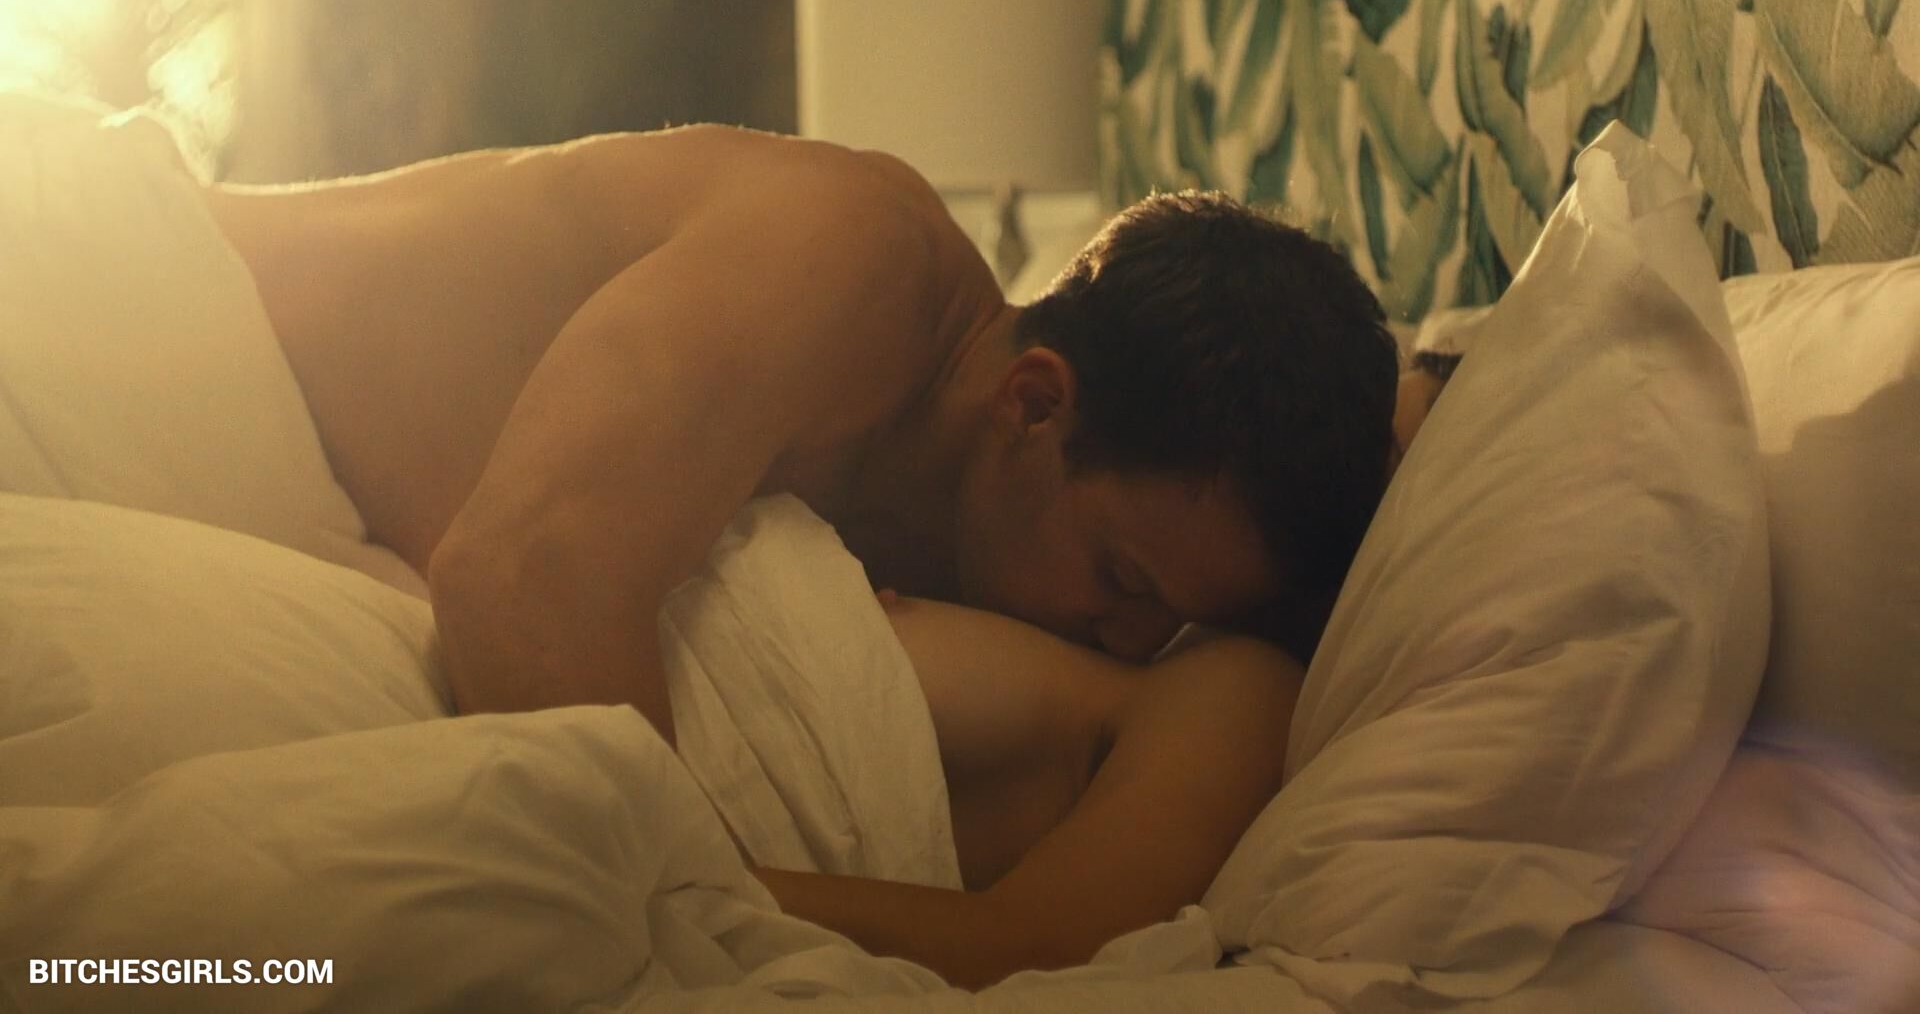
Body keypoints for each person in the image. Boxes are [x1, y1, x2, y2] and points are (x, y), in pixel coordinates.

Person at [202, 123, 1401, 739]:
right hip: (163, 310)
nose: (1131, 644)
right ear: (1033, 404)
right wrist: (715, 926)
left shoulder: (965, 523)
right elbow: (524, 581)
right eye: (1122, 581)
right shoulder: (849, 258)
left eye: (1170, 621)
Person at [757, 594, 1303, 991]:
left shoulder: (1238, 692)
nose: (1132, 635)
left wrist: (726, 883)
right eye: (1119, 577)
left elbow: (1033, 944)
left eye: (1122, 576)